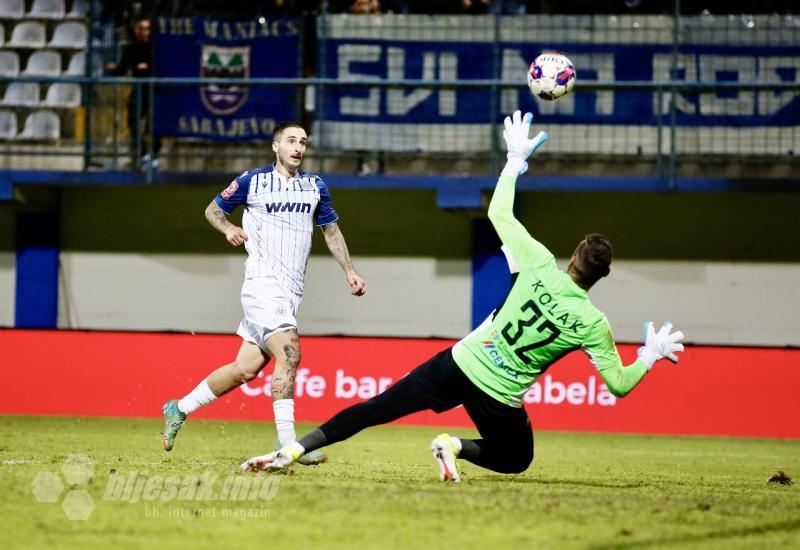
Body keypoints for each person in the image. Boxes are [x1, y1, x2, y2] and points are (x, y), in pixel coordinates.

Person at [240, 111, 685, 481]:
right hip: (498, 396)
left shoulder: (538, 262)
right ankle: (453, 444)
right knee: (516, 459)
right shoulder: (592, 323)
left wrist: (513, 161)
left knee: (378, 408)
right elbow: (619, 386)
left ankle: (294, 450)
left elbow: (498, 210)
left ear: (572, 256)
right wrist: (649, 354)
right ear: (603, 275)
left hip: (461, 362)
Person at [162, 121, 367, 466]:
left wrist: (349, 270)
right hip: (261, 287)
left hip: (290, 293)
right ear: (276, 146)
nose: (298, 147)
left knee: (245, 369)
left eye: (303, 142)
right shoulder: (252, 181)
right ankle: (288, 445)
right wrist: (228, 228)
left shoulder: (315, 187)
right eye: (291, 141)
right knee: (290, 354)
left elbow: (331, 230)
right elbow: (213, 210)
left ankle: (178, 407)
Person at [106, 17, 161, 169]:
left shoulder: (157, 48)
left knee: (155, 124)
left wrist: (148, 66)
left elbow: (161, 68)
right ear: (136, 30)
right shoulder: (130, 49)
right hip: (138, 90)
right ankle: (143, 153)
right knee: (133, 122)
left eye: (148, 29)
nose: (145, 32)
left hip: (155, 90)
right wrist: (113, 68)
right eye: (142, 29)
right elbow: (123, 68)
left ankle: (155, 155)